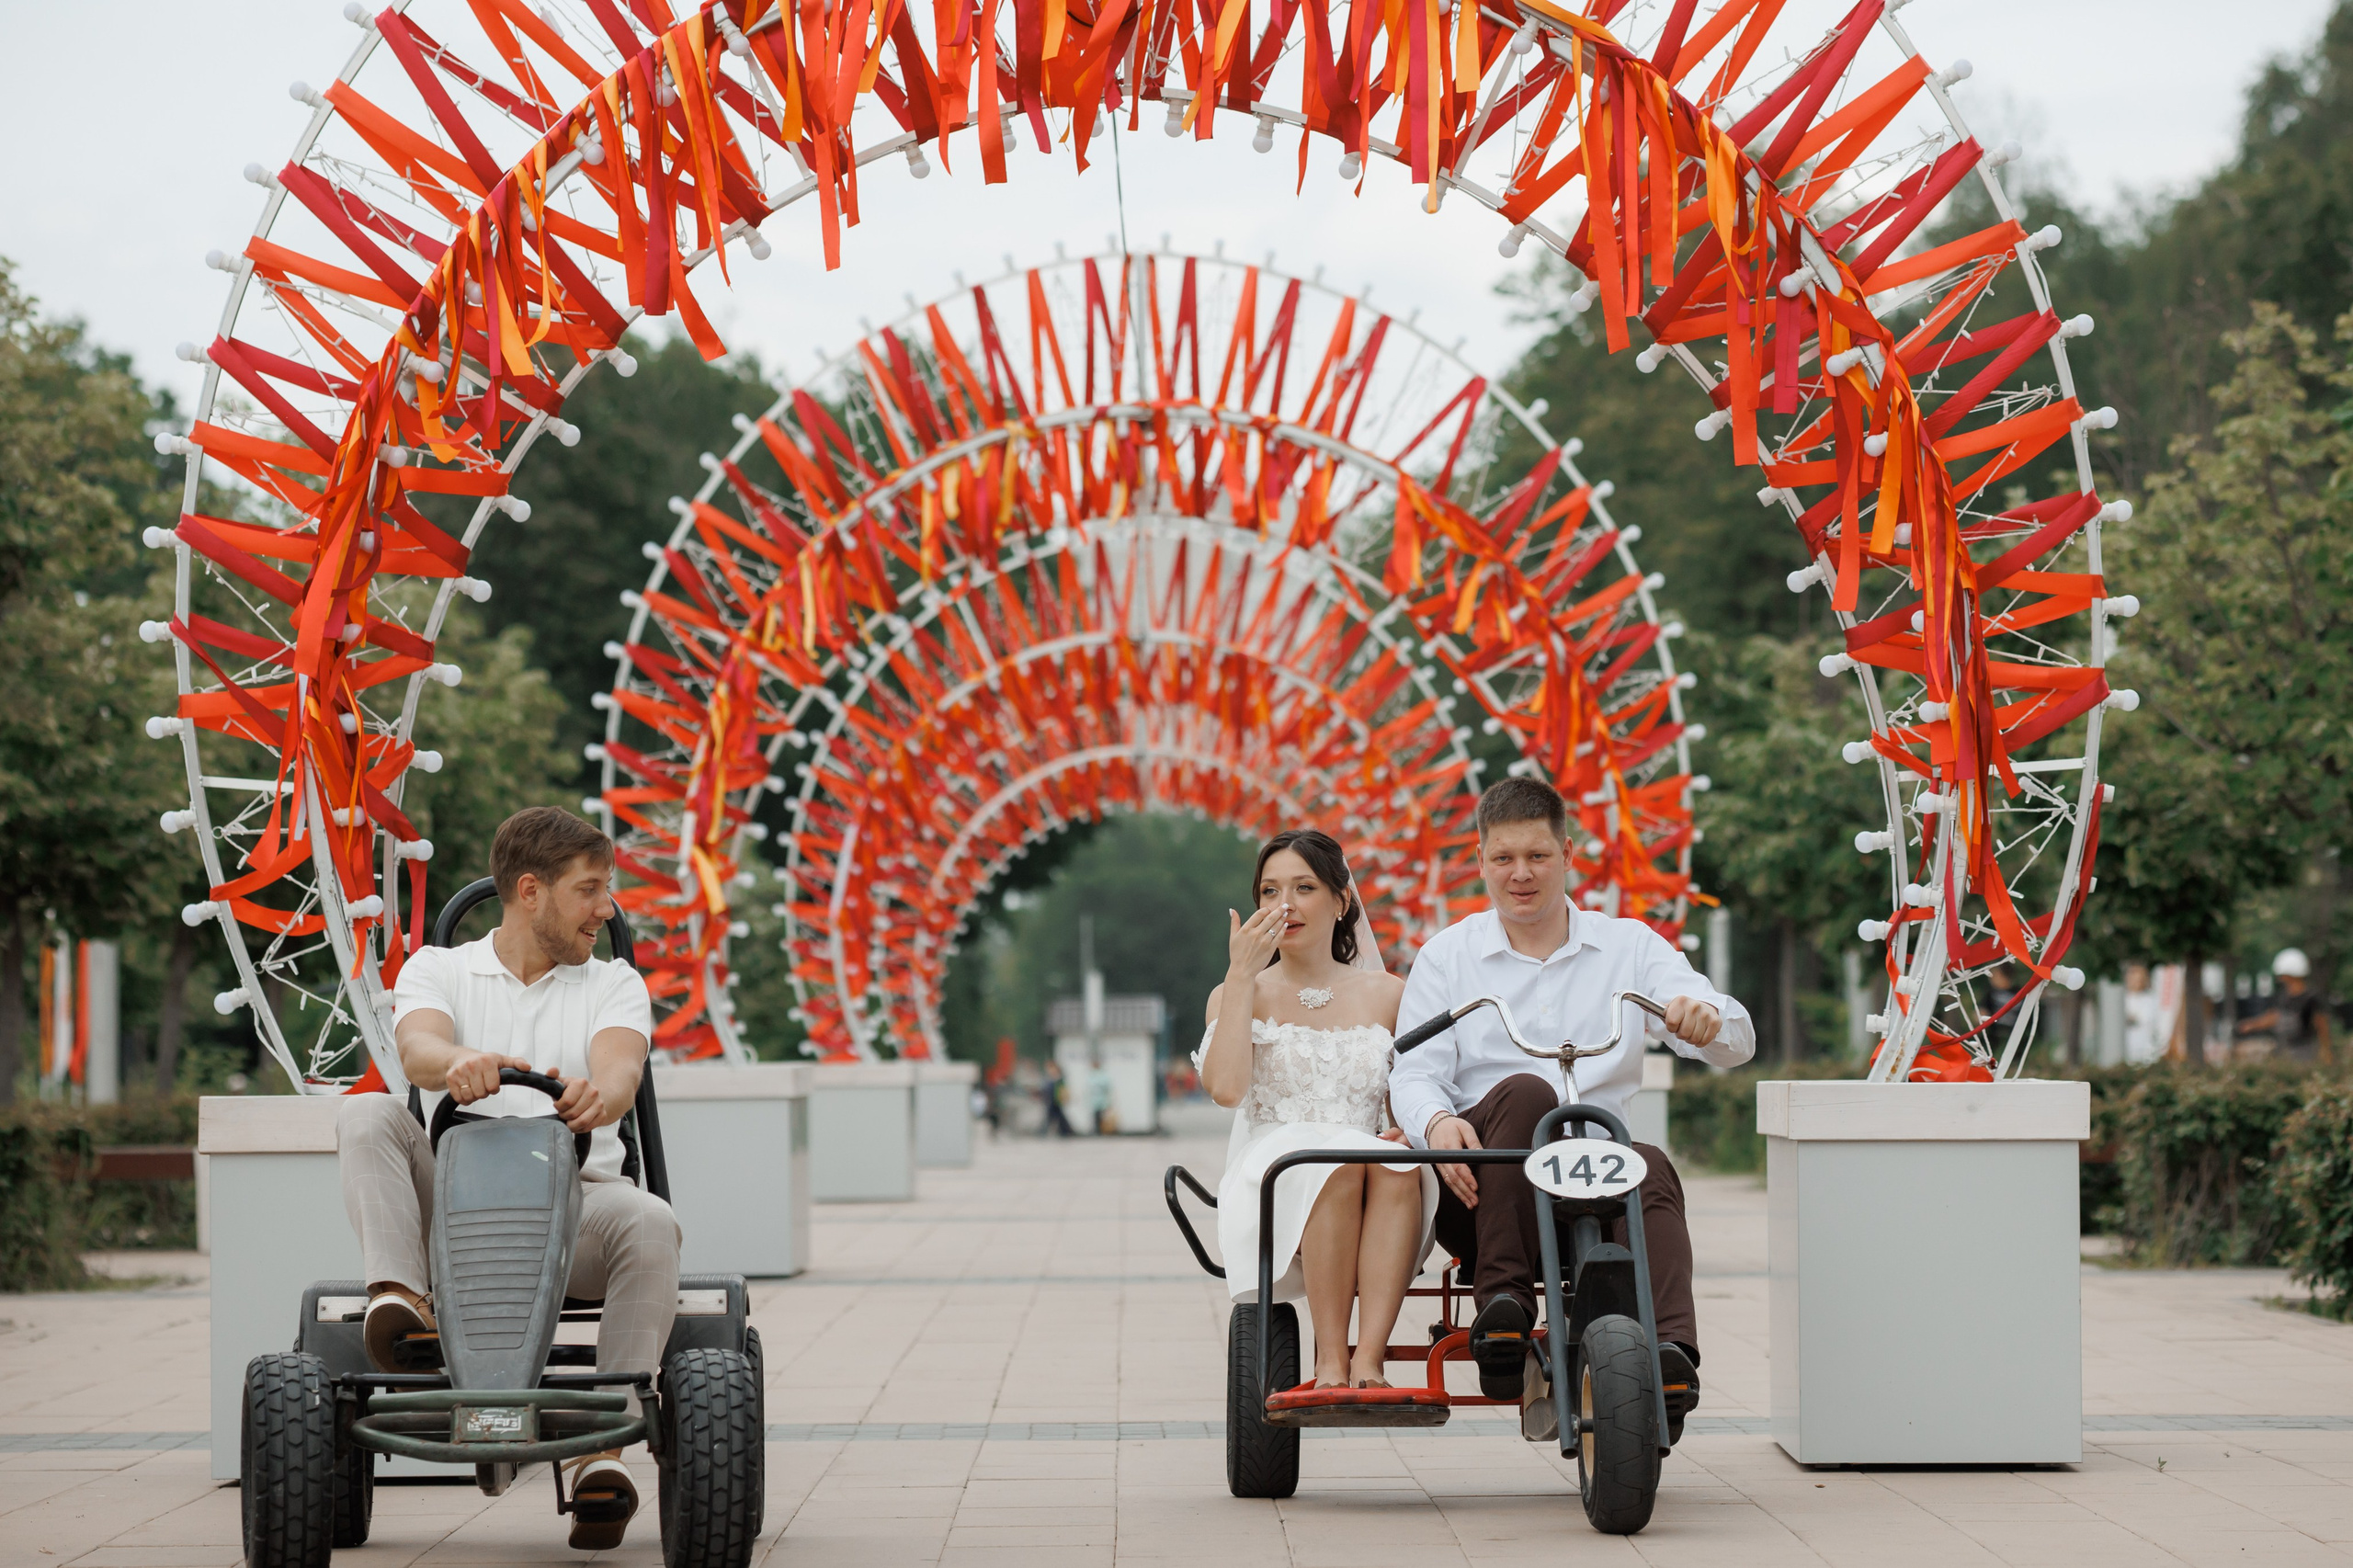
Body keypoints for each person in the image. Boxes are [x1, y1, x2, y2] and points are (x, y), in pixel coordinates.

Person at [336, 807, 676, 1551]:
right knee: (367, 1118)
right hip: (450, 1211)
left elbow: (620, 1068)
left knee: (651, 1221)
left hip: (580, 1205)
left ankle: (600, 1450)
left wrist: (601, 1097)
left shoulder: (612, 983)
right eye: (590, 890)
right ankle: (400, 1301)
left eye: (607, 890)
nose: (607, 908)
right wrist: (454, 1061)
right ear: (531, 892)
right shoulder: (441, 969)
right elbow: (419, 1045)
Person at [1391, 778, 1753, 1441]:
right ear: (1480, 862)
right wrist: (1437, 1121)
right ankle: (1499, 1308)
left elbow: (1735, 1039)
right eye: (1503, 859)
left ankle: (1673, 1356)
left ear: (1568, 854)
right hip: (1486, 1191)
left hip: (1596, 1179)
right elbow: (1412, 1071)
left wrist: (1703, 1020)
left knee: (1648, 1164)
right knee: (1529, 1093)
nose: (1520, 875)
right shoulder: (1449, 956)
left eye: (1537, 856)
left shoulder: (1628, 947)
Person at [1199, 829, 1437, 1391]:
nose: (1285, 906)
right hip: (1274, 1166)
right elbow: (1227, 1090)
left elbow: (1412, 1089)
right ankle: (1329, 1359)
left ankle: (1369, 1362)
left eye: (1304, 888)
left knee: (1396, 1164)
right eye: (1270, 891)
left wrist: (1406, 1127)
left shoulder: (1389, 994)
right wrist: (1240, 976)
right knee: (1336, 1163)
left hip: (1367, 1163)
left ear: (1340, 899)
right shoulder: (1237, 993)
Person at [1040, 1058, 1077, 1136]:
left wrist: (1064, 1098)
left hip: (1056, 1099)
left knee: (1056, 1116)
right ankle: (1065, 1131)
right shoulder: (1049, 1077)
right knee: (1057, 1116)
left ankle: (1065, 1131)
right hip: (1050, 1099)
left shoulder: (1058, 1078)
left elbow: (1062, 1089)